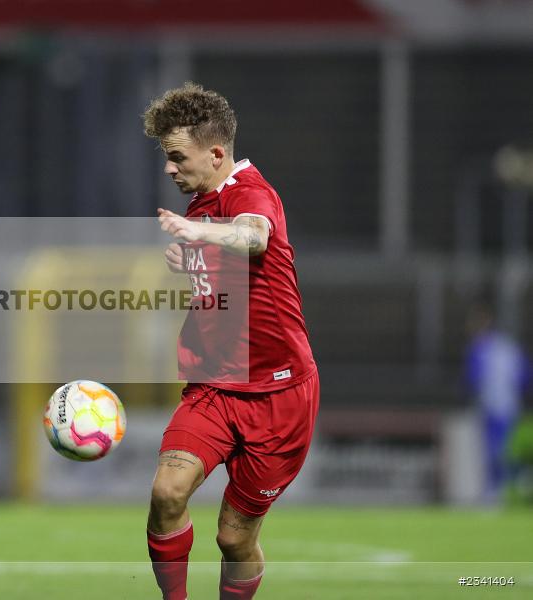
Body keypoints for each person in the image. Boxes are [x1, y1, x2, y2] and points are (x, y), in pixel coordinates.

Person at [142, 83, 320, 599]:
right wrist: (191, 261)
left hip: (279, 396)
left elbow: (252, 236)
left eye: (178, 157)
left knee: (233, 538)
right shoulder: (202, 204)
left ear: (216, 153)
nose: (170, 169)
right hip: (216, 388)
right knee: (166, 492)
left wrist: (200, 238)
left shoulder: (249, 193)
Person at [464, 300, 529, 503]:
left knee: (496, 451)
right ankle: (507, 489)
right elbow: (525, 376)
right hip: (509, 407)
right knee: (505, 451)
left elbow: (473, 378)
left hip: (494, 408)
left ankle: (497, 493)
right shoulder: (508, 347)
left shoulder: (481, 349)